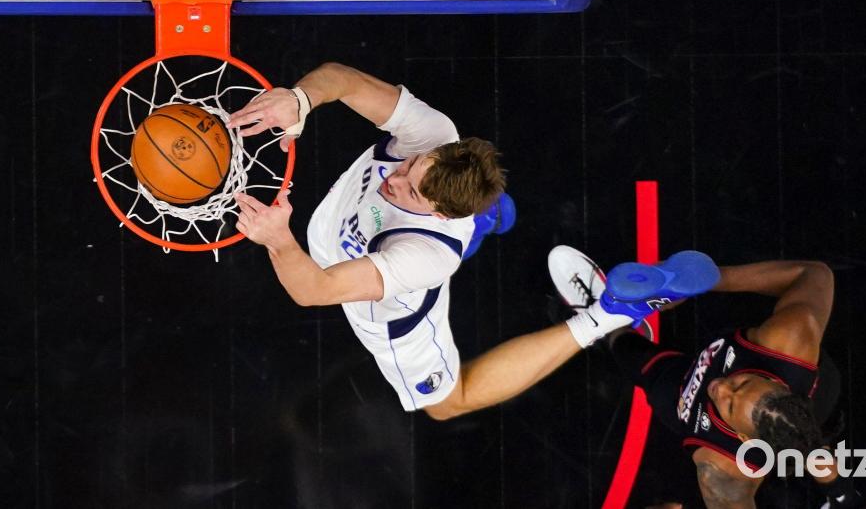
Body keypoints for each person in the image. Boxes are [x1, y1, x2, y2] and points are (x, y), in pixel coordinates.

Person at [229, 63, 703, 421]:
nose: (395, 179)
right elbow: (342, 79)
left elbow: (314, 289)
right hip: (351, 234)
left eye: (411, 191)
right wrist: (301, 99)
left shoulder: (425, 256)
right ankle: (484, 215)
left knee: (447, 402)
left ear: (440, 214)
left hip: (391, 305)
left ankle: (610, 313)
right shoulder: (433, 134)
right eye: (411, 166)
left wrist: (278, 240)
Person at [548, 246, 865, 508]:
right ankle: (843, 495)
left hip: (694, 413)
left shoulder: (720, 470)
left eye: (729, 405)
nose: (720, 386)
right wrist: (704, 280)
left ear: (745, 440)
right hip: (818, 395)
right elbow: (813, 274)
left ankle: (607, 324)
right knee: (806, 438)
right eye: (742, 383)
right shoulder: (788, 340)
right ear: (774, 381)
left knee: (641, 363)